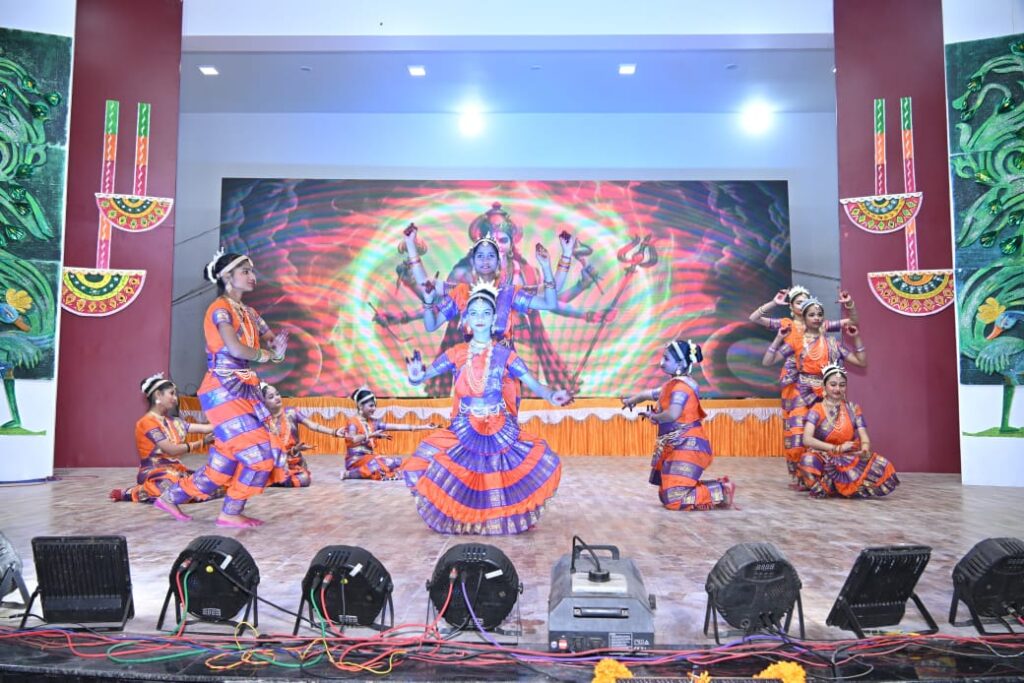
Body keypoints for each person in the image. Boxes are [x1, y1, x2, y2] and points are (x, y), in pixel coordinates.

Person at [400, 283, 572, 534]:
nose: (479, 317)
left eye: (485, 313)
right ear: (466, 320)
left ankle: (493, 521)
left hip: (498, 427)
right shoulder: (457, 353)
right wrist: (416, 376)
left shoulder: (505, 355)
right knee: (443, 463)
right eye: (474, 313)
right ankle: (465, 519)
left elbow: (536, 384)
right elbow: (421, 378)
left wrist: (552, 395)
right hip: (465, 425)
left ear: (494, 320)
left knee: (495, 476)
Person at [156, 250, 288, 528]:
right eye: (245, 271)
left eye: (251, 271)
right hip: (222, 390)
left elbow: (270, 341)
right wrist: (269, 355)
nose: (252, 276)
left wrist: (277, 349)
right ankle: (230, 512)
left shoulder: (250, 313)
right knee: (259, 456)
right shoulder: (220, 309)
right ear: (227, 276)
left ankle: (170, 497)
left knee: (222, 466)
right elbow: (236, 349)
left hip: (245, 389)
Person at [749, 286, 857, 484]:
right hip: (794, 381)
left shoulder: (821, 325)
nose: (803, 305)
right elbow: (754, 318)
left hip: (819, 382)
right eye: (799, 302)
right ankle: (799, 474)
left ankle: (821, 472)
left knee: (821, 426)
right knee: (796, 428)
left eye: (806, 301)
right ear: (791, 307)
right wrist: (774, 303)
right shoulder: (786, 324)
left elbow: (852, 322)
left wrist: (849, 304)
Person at [621, 340, 735, 510]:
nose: (661, 363)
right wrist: (632, 400)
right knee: (666, 495)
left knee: (674, 498)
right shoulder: (673, 385)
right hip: (677, 444)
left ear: (680, 364)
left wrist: (655, 416)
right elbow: (649, 394)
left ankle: (721, 490)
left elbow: (673, 414)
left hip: (689, 445)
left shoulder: (681, 387)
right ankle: (719, 488)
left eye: (666, 359)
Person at [109, 373, 213, 503]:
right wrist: (203, 442)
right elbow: (171, 450)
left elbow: (206, 428)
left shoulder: (174, 422)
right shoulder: (147, 422)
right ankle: (132, 492)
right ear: (158, 395)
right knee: (175, 491)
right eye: (171, 394)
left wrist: (228, 423)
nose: (175, 398)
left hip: (176, 470)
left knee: (210, 482)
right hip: (154, 472)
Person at [798, 364, 899, 498]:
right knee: (807, 460)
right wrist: (836, 448)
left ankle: (841, 486)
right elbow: (807, 439)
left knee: (883, 466)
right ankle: (827, 486)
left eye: (842, 385)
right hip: (823, 456)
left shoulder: (853, 409)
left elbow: (864, 436)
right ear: (824, 386)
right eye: (833, 384)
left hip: (847, 456)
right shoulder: (816, 409)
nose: (837, 389)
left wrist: (864, 450)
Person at [342, 387, 435, 481]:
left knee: (396, 462)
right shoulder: (353, 422)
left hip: (371, 458)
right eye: (371, 406)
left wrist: (424, 426)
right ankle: (349, 474)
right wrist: (371, 435)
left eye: (374, 406)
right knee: (379, 464)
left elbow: (397, 427)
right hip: (356, 461)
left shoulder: (373, 422)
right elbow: (353, 439)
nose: (374, 409)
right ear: (360, 405)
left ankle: (419, 468)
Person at [261, 382, 339, 488]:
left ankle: (276, 480)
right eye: (271, 397)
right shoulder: (263, 422)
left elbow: (312, 425)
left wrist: (334, 432)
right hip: (274, 463)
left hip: (294, 461)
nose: (277, 397)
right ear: (263, 402)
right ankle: (277, 478)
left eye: (277, 394)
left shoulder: (291, 412)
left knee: (304, 479)